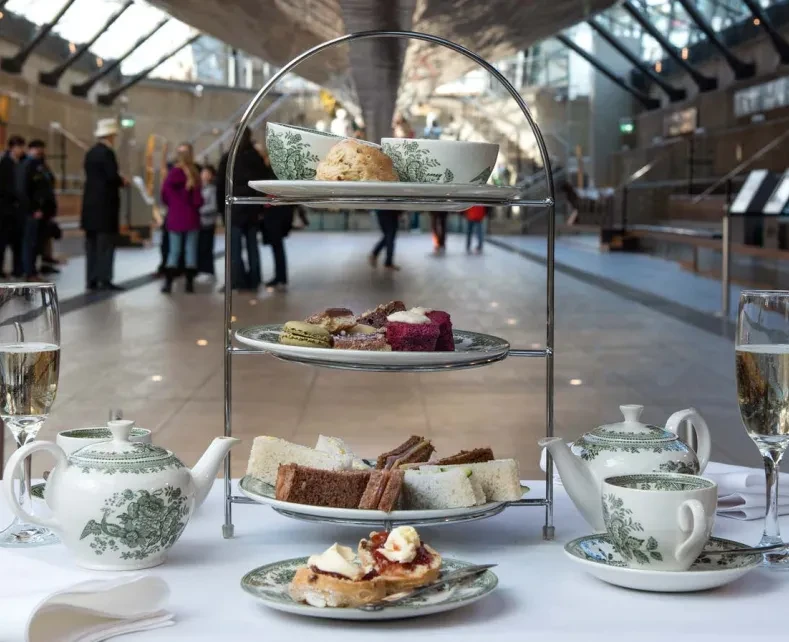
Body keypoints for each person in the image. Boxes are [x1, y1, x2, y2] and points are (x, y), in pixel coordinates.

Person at [217, 127, 266, 291]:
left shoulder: (229, 157)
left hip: (234, 210)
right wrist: (261, 209)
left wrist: (221, 210)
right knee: (252, 247)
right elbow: (262, 183)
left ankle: (236, 280)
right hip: (252, 210)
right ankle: (254, 280)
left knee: (234, 249)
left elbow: (220, 186)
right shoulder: (255, 157)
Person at [81, 118, 126, 291]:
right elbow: (111, 177)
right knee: (105, 246)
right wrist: (122, 181)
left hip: (90, 207)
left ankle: (91, 279)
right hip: (105, 207)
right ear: (111, 136)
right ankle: (104, 278)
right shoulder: (108, 153)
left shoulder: (91, 152)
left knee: (91, 246)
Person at [160, 144, 202, 293]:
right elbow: (198, 201)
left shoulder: (171, 175)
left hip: (175, 217)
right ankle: (189, 285)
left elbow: (164, 196)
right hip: (191, 217)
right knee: (190, 250)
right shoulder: (195, 174)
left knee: (174, 251)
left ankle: (168, 284)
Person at [16, 140, 56, 282]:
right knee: (30, 243)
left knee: (37, 243)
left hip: (43, 212)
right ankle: (29, 272)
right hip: (31, 212)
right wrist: (33, 209)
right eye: (37, 149)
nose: (40, 152)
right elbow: (23, 190)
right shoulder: (28, 165)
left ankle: (34, 270)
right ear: (31, 149)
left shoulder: (41, 165)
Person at [258, 146, 293, 291]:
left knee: (277, 246)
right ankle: (280, 276)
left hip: (275, 214)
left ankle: (280, 277)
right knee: (277, 247)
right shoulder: (275, 171)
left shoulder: (272, 172)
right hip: (276, 214)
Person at [0, 135, 26, 277]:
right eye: (19, 147)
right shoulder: (5, 163)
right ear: (12, 148)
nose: (21, 150)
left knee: (18, 241)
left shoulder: (21, 162)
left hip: (17, 210)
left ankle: (18, 269)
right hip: (6, 209)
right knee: (3, 241)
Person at [197, 165, 217, 276]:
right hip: (199, 223)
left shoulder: (212, 189)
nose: (204, 175)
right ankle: (201, 270)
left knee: (207, 247)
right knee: (200, 247)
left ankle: (208, 271)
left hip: (208, 223)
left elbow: (213, 206)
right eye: (203, 173)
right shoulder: (199, 188)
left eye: (207, 173)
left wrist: (199, 210)